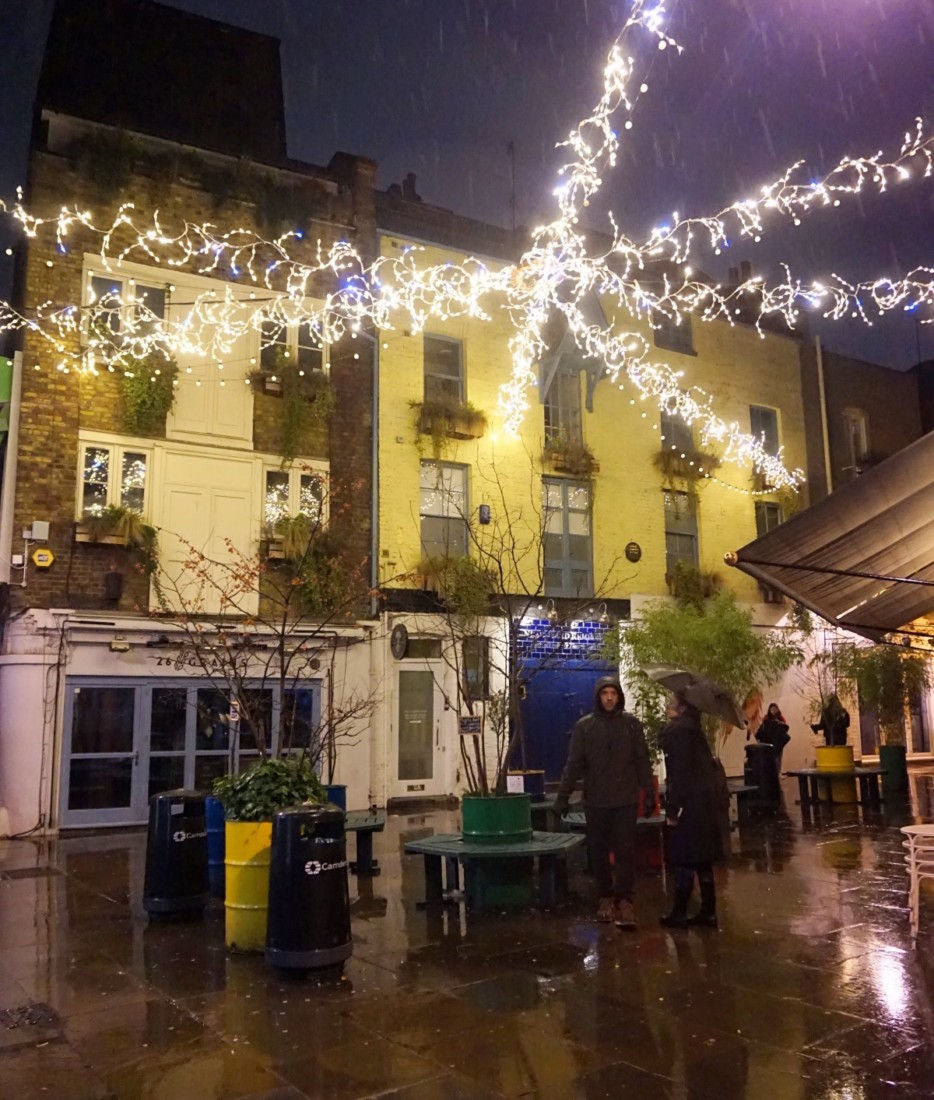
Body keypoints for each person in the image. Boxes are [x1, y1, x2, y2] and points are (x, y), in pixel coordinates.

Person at [553, 676, 655, 929]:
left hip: (625, 799)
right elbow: (574, 765)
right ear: (598, 697)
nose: (609, 698)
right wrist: (563, 797)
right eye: (605, 693)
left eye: (613, 693)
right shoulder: (585, 727)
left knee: (625, 851)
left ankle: (625, 900)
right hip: (596, 800)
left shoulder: (631, 725)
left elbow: (642, 760)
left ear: (619, 696)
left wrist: (650, 793)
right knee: (598, 852)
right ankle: (605, 897)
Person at [658, 694, 726, 929]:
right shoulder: (695, 729)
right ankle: (708, 911)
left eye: (672, 701)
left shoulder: (676, 731)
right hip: (704, 803)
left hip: (687, 805)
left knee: (684, 859)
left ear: (682, 707)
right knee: (703, 860)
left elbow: (679, 773)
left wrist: (673, 808)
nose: (668, 705)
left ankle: (679, 912)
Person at [755, 702, 791, 776]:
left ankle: (778, 773)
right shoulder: (766, 718)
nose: (773, 711)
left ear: (777, 710)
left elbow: (785, 728)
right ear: (769, 710)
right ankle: (770, 774)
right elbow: (763, 729)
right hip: (769, 741)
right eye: (772, 709)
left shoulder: (781, 718)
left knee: (778, 759)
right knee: (770, 759)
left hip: (779, 742)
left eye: (775, 709)